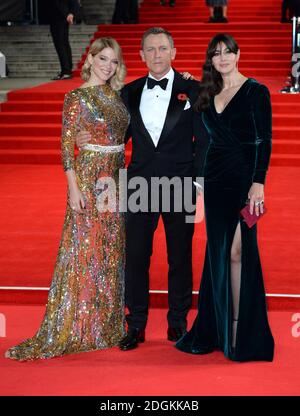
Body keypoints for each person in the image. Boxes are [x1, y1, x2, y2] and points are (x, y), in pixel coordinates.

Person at [77, 27, 209, 351]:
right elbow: (116, 138)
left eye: (163, 48)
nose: (157, 55)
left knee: (179, 257)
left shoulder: (193, 89)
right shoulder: (129, 92)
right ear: (141, 55)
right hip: (138, 185)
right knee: (136, 256)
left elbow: (204, 141)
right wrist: (86, 139)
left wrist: (197, 183)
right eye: (150, 49)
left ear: (173, 51)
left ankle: (177, 321)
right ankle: (135, 323)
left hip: (180, 183)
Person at [5, 37, 130, 361]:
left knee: (110, 252)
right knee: (83, 251)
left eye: (113, 61)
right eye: (103, 59)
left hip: (116, 179)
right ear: (89, 60)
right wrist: (73, 188)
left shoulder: (116, 95)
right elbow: (65, 146)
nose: (108, 66)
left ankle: (105, 325)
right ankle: (75, 326)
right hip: (89, 178)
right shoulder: (76, 96)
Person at [175, 33, 275, 362]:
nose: (223, 58)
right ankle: (218, 326)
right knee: (219, 252)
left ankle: (238, 327)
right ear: (212, 60)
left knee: (239, 251)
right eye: (216, 54)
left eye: (228, 52)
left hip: (247, 184)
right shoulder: (207, 91)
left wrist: (258, 183)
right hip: (215, 181)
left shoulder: (256, 91)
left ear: (238, 54)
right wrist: (187, 78)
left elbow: (264, 140)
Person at [50, 0, 80, 80]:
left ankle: (66, 71)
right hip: (58, 15)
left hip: (61, 16)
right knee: (63, 43)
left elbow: (73, 2)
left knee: (61, 43)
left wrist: (71, 13)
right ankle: (66, 70)